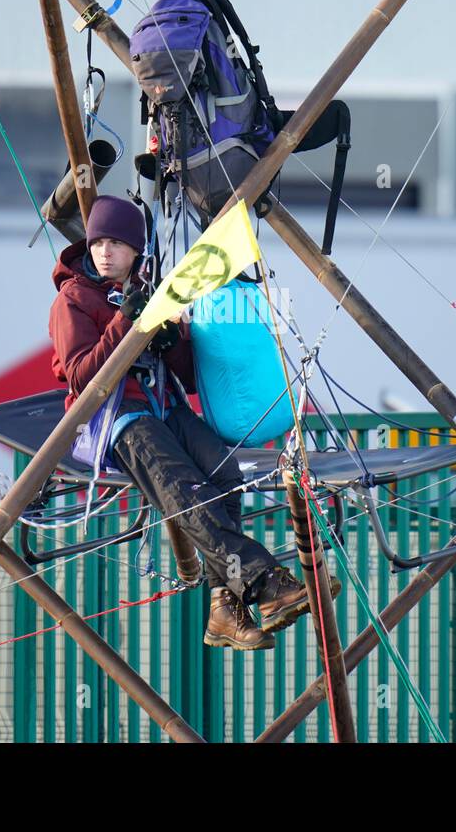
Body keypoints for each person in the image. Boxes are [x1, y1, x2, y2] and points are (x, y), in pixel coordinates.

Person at [48, 195, 335, 650]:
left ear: (136, 251)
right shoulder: (74, 300)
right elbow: (83, 377)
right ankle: (264, 584)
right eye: (98, 241)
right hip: (115, 418)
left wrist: (169, 338)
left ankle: (225, 608)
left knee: (224, 473)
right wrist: (127, 321)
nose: (105, 251)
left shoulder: (151, 290)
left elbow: (186, 375)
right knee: (185, 491)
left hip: (165, 406)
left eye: (116, 243)